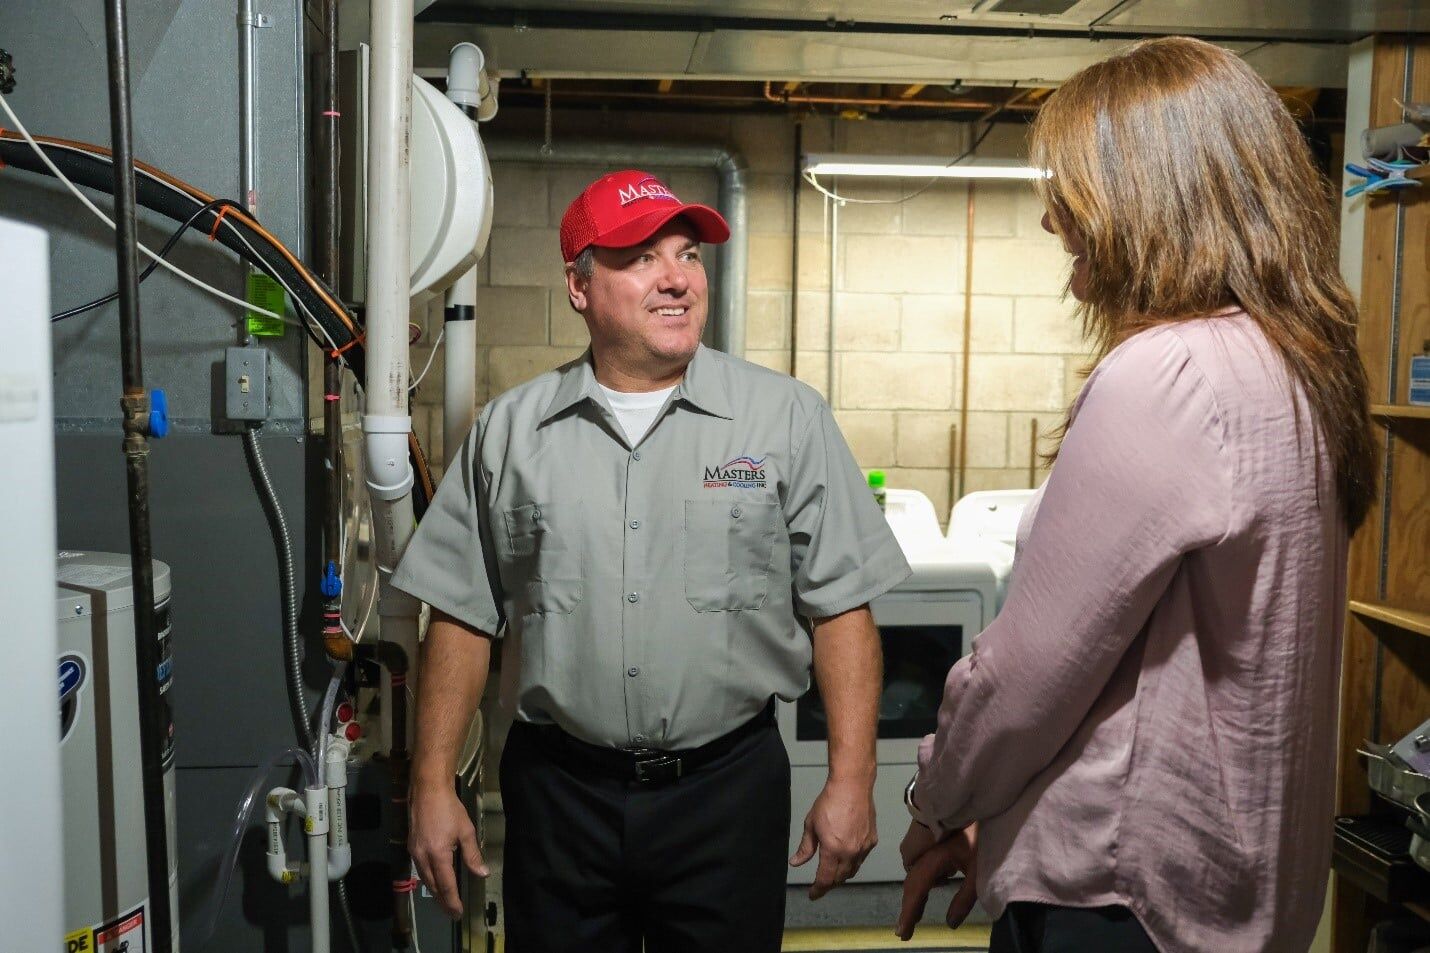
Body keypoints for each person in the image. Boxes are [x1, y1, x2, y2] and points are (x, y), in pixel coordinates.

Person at [895, 36, 1376, 953]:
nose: (1052, 221)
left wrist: (939, 798)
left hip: (1120, 897)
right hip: (1237, 897)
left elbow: (1024, 678)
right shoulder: (1301, 367)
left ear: (1156, 198)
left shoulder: (1169, 373)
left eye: (1072, 193)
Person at [394, 169, 911, 953]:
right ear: (579, 286)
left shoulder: (784, 418)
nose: (677, 279)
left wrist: (852, 778)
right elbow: (462, 615)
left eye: (688, 255)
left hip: (725, 793)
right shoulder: (510, 434)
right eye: (642, 257)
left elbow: (841, 605)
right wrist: (431, 782)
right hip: (559, 796)